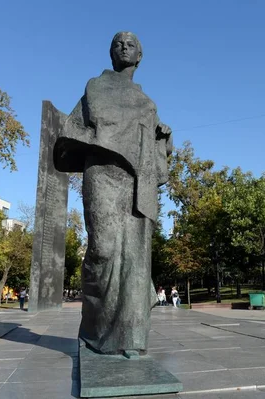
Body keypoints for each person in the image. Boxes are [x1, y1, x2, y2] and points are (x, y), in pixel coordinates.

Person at [53, 32, 172, 356]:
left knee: (134, 257)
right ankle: (96, 332)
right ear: (111, 53)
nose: (124, 47)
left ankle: (131, 338)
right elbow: (70, 129)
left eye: (131, 44)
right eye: (118, 43)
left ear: (139, 57)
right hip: (102, 173)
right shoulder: (95, 86)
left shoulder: (147, 103)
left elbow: (159, 145)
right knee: (102, 249)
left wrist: (163, 136)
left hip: (136, 181)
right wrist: (99, 139)